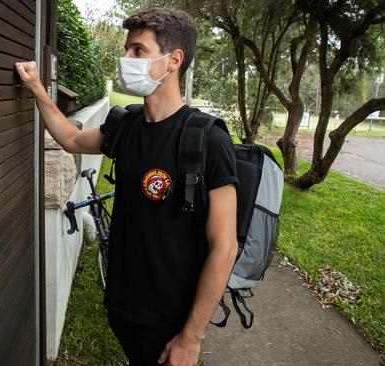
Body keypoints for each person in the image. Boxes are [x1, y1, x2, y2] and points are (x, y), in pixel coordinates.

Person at [15, 8, 238, 366]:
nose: (125, 59)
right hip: (123, 303)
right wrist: (38, 89)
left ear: (173, 60)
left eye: (137, 50)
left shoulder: (207, 139)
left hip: (168, 318)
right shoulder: (126, 124)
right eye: (126, 49)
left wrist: (191, 338)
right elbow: (71, 138)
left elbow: (225, 247)